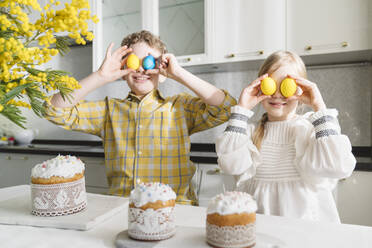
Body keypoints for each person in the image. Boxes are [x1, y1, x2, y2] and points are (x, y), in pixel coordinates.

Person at [44, 30, 236, 205]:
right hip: (123, 210)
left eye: (150, 61)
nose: (142, 69)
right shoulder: (109, 111)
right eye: (134, 62)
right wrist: (100, 76)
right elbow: (54, 110)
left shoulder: (180, 107)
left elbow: (226, 107)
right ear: (123, 70)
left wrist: (178, 73)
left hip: (176, 210)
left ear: (161, 71)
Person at [216, 50, 356, 222]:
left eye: (286, 85)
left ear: (301, 88)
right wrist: (242, 109)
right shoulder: (249, 133)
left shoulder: (311, 130)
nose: (276, 94)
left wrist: (319, 106)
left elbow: (338, 166)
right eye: (271, 84)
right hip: (262, 229)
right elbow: (230, 166)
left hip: (304, 231)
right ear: (260, 85)